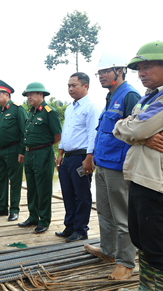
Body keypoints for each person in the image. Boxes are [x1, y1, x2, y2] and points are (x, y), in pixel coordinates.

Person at [113, 41, 163, 290]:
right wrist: (140, 133)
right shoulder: (150, 97)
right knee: (142, 242)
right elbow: (121, 126)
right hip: (140, 177)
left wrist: (136, 130)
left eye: (147, 67)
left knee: (159, 249)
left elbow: (137, 126)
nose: (141, 73)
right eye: (139, 69)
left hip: (158, 181)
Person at [83, 51, 141, 280]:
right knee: (105, 212)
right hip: (103, 164)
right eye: (99, 72)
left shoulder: (129, 95)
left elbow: (135, 132)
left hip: (119, 167)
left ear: (120, 71)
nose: (101, 76)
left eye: (106, 71)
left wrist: (128, 166)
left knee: (122, 216)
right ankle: (108, 251)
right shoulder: (111, 96)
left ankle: (126, 262)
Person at [56, 72, 100, 242]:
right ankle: (70, 226)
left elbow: (93, 134)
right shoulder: (69, 108)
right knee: (67, 193)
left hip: (81, 157)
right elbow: (65, 132)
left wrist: (89, 157)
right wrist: (60, 153)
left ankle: (81, 229)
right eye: (69, 85)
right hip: (67, 158)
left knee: (82, 194)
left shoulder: (91, 107)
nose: (70, 88)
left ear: (85, 86)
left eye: (74, 85)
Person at [19, 82, 61, 234]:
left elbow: (57, 136)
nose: (28, 97)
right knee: (31, 187)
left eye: (31, 94)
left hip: (43, 153)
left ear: (41, 94)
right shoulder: (31, 112)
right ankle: (33, 216)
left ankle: (44, 220)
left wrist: (44, 146)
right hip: (29, 153)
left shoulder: (49, 112)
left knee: (43, 188)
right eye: (27, 95)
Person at [0, 80, 27, 221]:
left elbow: (24, 133)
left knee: (15, 181)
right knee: (1, 179)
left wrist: (22, 151)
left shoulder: (17, 110)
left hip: (14, 150)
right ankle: (2, 207)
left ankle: (14, 210)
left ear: (7, 95)